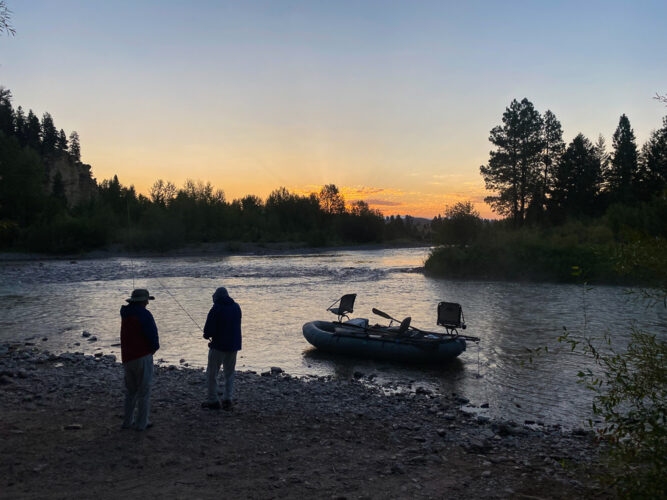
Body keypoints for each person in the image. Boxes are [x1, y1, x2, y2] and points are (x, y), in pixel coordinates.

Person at [120, 288, 159, 431]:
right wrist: (154, 348)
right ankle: (142, 423)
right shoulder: (145, 314)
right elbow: (152, 334)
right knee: (144, 391)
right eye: (147, 299)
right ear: (143, 301)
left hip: (127, 357)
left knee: (131, 391)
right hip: (142, 356)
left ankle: (127, 422)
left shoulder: (125, 313)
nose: (148, 302)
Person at [202, 286, 242, 410]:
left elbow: (208, 330)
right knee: (229, 373)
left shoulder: (216, 308)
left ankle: (213, 400)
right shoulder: (236, 307)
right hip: (233, 345)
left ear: (217, 297)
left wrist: (206, 336)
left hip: (218, 346)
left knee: (212, 373)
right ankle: (227, 399)